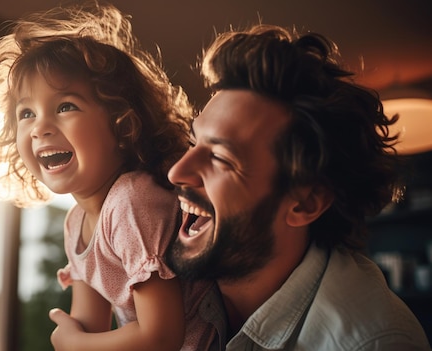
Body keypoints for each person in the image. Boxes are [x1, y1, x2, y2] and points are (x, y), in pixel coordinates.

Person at [164, 24, 431, 350]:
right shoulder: (164, 283)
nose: (177, 172)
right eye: (193, 143)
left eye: (220, 158)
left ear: (305, 203)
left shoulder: (370, 343)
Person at [0, 2, 216, 350]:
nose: (39, 128)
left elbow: (162, 337)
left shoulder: (132, 200)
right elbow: (88, 327)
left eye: (65, 107)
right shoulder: (77, 222)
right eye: (27, 113)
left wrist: (74, 343)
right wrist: (75, 338)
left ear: (123, 124)